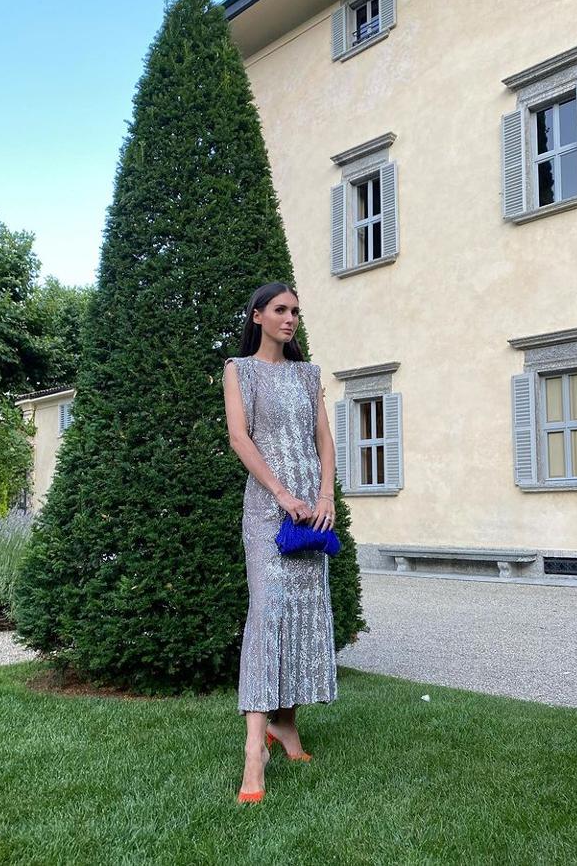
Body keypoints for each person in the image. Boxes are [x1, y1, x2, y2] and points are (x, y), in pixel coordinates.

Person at [222, 281, 338, 804]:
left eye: (295, 310)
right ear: (257, 317)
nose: (290, 318)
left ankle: (286, 725)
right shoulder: (239, 370)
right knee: (267, 616)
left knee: (305, 614)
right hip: (269, 509)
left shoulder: (308, 374)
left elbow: (324, 438)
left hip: (312, 511)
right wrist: (282, 493)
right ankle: (254, 748)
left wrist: (326, 495)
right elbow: (239, 437)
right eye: (280, 310)